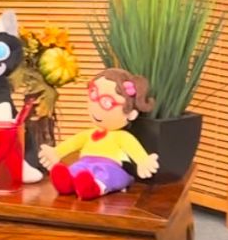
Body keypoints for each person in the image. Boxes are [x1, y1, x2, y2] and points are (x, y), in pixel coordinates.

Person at [38, 69, 160, 199]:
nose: (97, 106)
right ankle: (67, 183)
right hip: (84, 162)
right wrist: (56, 152)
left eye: (107, 102)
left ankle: (95, 187)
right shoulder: (88, 134)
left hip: (109, 166)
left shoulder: (122, 136)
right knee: (76, 168)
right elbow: (73, 143)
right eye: (93, 95)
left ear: (131, 114)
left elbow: (134, 149)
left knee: (107, 175)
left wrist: (143, 162)